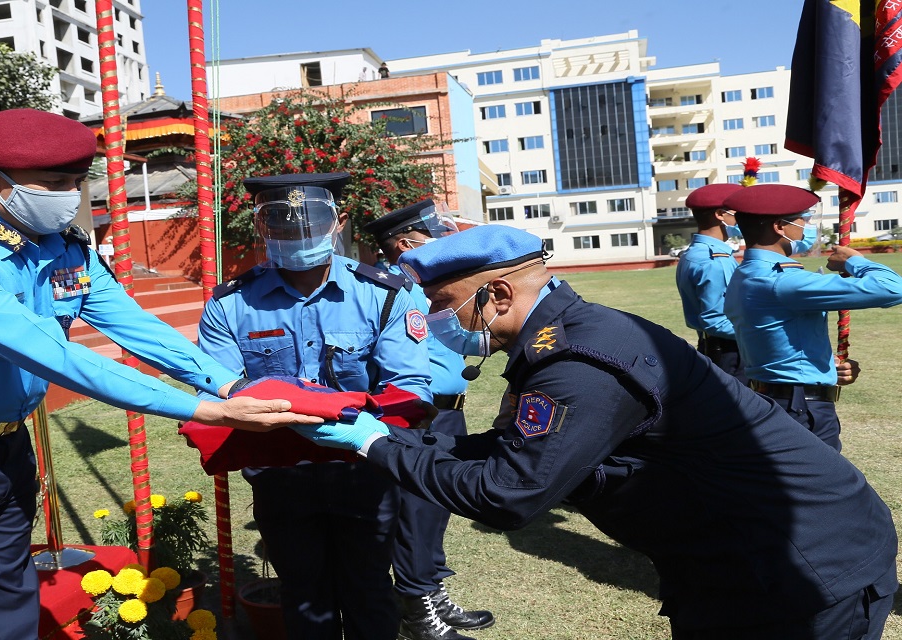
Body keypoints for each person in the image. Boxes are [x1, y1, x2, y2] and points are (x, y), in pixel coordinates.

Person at [290, 223, 898, 640]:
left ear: (497, 293)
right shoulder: (563, 339)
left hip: (804, 569)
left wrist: (373, 445)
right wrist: (393, 438)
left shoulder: (579, 363)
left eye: (443, 303)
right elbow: (522, 448)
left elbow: (508, 492)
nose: (433, 320)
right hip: (734, 562)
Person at [0, 108, 320, 640]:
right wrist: (208, 410)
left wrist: (228, 383)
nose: (70, 196)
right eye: (53, 183)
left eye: (76, 182)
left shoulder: (66, 248)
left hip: (4, 447)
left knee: (12, 601)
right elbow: (53, 355)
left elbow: (134, 326)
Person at [196, 172, 433, 640]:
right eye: (280, 222)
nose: (296, 232)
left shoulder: (384, 293)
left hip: (364, 466)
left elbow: (408, 388)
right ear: (262, 228)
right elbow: (218, 394)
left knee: (369, 591)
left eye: (310, 220)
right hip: (280, 475)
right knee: (303, 595)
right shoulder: (230, 305)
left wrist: (347, 421)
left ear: (338, 221)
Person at [363, 200, 493, 640]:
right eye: (433, 233)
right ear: (405, 243)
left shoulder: (430, 283)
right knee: (416, 511)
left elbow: (461, 340)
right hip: (417, 416)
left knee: (437, 508)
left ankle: (430, 592)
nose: (445, 239)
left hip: (449, 413)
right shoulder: (391, 288)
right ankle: (417, 611)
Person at [723, 184, 902, 451]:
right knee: (826, 488)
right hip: (800, 407)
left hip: (778, 396)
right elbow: (892, 288)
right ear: (779, 227)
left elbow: (784, 338)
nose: (806, 226)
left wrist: (827, 369)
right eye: (801, 220)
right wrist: (854, 261)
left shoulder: (746, 273)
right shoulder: (781, 281)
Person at [674, 182, 746, 381]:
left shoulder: (694, 254)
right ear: (721, 214)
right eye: (738, 212)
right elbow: (716, 320)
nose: (744, 217)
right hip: (729, 352)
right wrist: (762, 333)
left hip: (715, 348)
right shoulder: (715, 260)